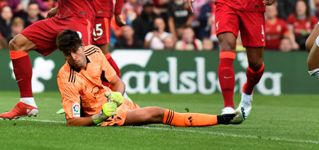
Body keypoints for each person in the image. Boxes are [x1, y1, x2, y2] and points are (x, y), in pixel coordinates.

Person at [55, 29, 241, 126]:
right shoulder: (65, 77)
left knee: (146, 112)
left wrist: (118, 95)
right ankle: (222, 118)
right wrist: (98, 117)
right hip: (107, 116)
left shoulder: (94, 51)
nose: (73, 57)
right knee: (156, 113)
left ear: (81, 46)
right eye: (67, 54)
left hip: (117, 104)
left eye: (75, 51)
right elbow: (72, 122)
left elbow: (117, 82)